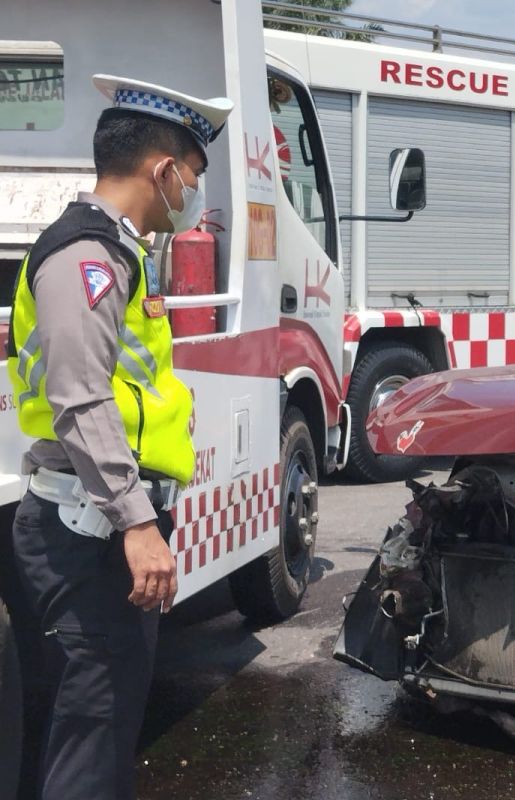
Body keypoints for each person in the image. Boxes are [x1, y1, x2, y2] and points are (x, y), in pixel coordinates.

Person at [4, 74, 232, 800]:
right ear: (163, 172)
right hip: (90, 529)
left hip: (93, 520)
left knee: (91, 727)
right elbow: (79, 397)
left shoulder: (118, 253)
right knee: (93, 734)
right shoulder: (88, 257)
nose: (193, 195)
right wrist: (136, 522)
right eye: (192, 177)